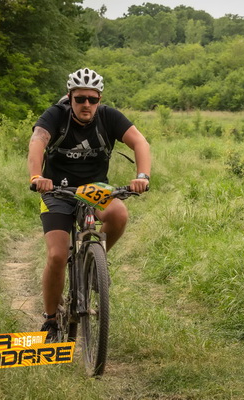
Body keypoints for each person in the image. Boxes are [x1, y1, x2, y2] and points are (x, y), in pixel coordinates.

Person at [27, 67, 151, 341]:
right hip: (57, 190)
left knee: (119, 213)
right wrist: (37, 177)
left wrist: (142, 176)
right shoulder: (55, 116)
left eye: (92, 99)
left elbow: (139, 142)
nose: (86, 104)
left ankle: (96, 263)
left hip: (93, 190)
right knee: (57, 255)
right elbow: (37, 141)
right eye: (80, 98)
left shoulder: (108, 117)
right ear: (70, 97)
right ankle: (50, 320)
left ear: (99, 99)